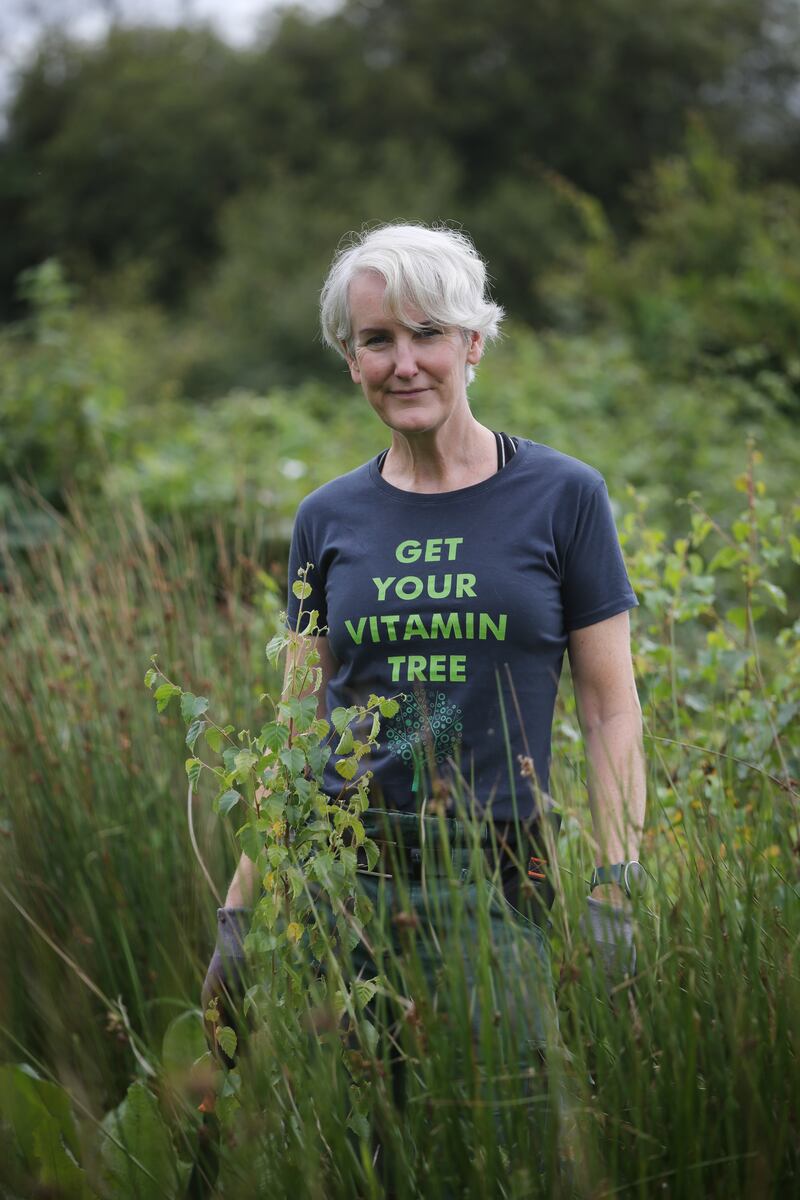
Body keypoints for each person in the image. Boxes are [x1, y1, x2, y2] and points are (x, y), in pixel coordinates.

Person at [202, 222, 646, 1073]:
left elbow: (608, 706)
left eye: (427, 334)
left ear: (474, 342)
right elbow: (297, 731)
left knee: (505, 1130)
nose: (403, 362)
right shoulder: (326, 519)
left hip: (502, 876)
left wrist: (617, 884)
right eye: (377, 340)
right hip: (352, 882)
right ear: (351, 359)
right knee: (378, 1142)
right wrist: (241, 913)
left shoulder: (564, 498)